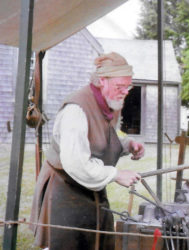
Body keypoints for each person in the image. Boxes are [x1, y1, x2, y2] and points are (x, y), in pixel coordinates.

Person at [30, 52, 144, 250]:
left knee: (96, 242)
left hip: (91, 188)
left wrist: (127, 145)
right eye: (120, 87)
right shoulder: (77, 110)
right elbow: (76, 163)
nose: (125, 92)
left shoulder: (111, 102)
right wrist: (116, 174)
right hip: (65, 187)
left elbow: (101, 138)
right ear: (102, 81)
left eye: (128, 86)